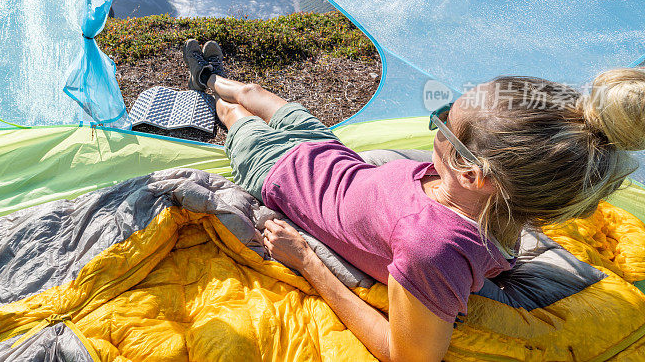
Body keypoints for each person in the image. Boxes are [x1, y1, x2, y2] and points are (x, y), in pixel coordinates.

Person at [182, 38, 645, 362]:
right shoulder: (498, 201)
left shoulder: (432, 246)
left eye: (443, 121)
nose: (437, 120)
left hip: (277, 172)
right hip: (326, 150)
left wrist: (307, 259)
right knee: (253, 92)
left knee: (237, 110)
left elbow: (408, 356)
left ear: (474, 173)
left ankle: (208, 89)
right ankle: (213, 77)